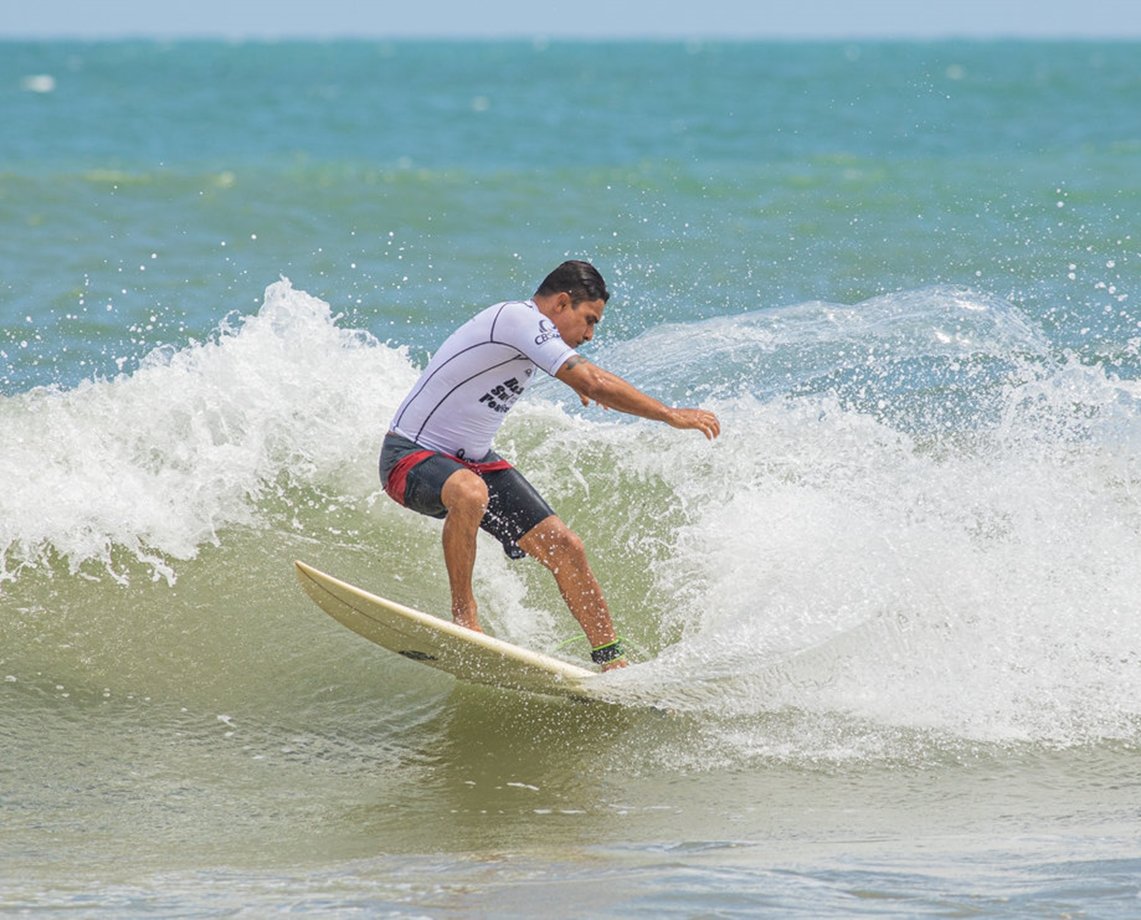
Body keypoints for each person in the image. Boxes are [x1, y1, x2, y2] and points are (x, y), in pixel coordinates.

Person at [379, 260, 720, 670]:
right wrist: (670, 414)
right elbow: (591, 380)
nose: (590, 334)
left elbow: (588, 379)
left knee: (566, 547)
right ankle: (465, 618)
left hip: (472, 462)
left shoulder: (528, 336)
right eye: (588, 320)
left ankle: (612, 661)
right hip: (409, 456)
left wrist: (587, 382)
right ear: (562, 302)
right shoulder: (517, 318)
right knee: (469, 491)